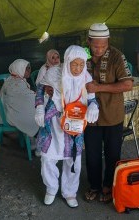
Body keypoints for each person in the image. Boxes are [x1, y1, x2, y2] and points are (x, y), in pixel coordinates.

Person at [34, 46, 99, 207]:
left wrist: (93, 107)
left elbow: (92, 99)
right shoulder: (54, 73)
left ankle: (69, 192)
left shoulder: (86, 77)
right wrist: (40, 108)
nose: (78, 69)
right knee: (48, 158)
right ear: (67, 61)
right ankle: (51, 188)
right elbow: (40, 90)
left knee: (73, 160)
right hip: (54, 123)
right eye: (74, 64)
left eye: (81, 64)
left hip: (74, 125)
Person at [84, 23, 133, 203]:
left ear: (108, 42)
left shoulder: (117, 56)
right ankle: (94, 186)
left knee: (113, 153)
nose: (99, 49)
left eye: (103, 46)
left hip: (112, 115)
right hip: (89, 117)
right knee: (92, 153)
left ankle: (108, 185)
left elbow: (128, 84)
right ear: (88, 41)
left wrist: (100, 87)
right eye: (95, 45)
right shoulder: (81, 56)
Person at [0, 59, 39, 139]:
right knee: (39, 113)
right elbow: (28, 98)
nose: (29, 70)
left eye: (29, 68)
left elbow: (25, 96)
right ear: (19, 69)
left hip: (7, 110)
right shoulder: (17, 84)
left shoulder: (13, 79)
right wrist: (38, 96)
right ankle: (35, 140)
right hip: (10, 114)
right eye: (26, 68)